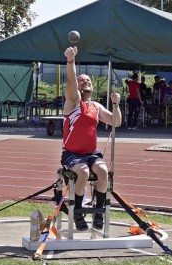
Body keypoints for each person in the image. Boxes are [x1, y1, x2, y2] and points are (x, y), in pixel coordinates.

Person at [62, 46, 122, 231]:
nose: (84, 81)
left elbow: (115, 122)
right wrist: (71, 60)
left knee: (103, 172)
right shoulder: (73, 102)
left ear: (92, 86)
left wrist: (116, 104)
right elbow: (71, 80)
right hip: (72, 154)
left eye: (88, 80)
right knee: (84, 172)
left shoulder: (96, 106)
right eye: (82, 80)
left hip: (91, 154)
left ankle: (98, 212)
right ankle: (78, 212)